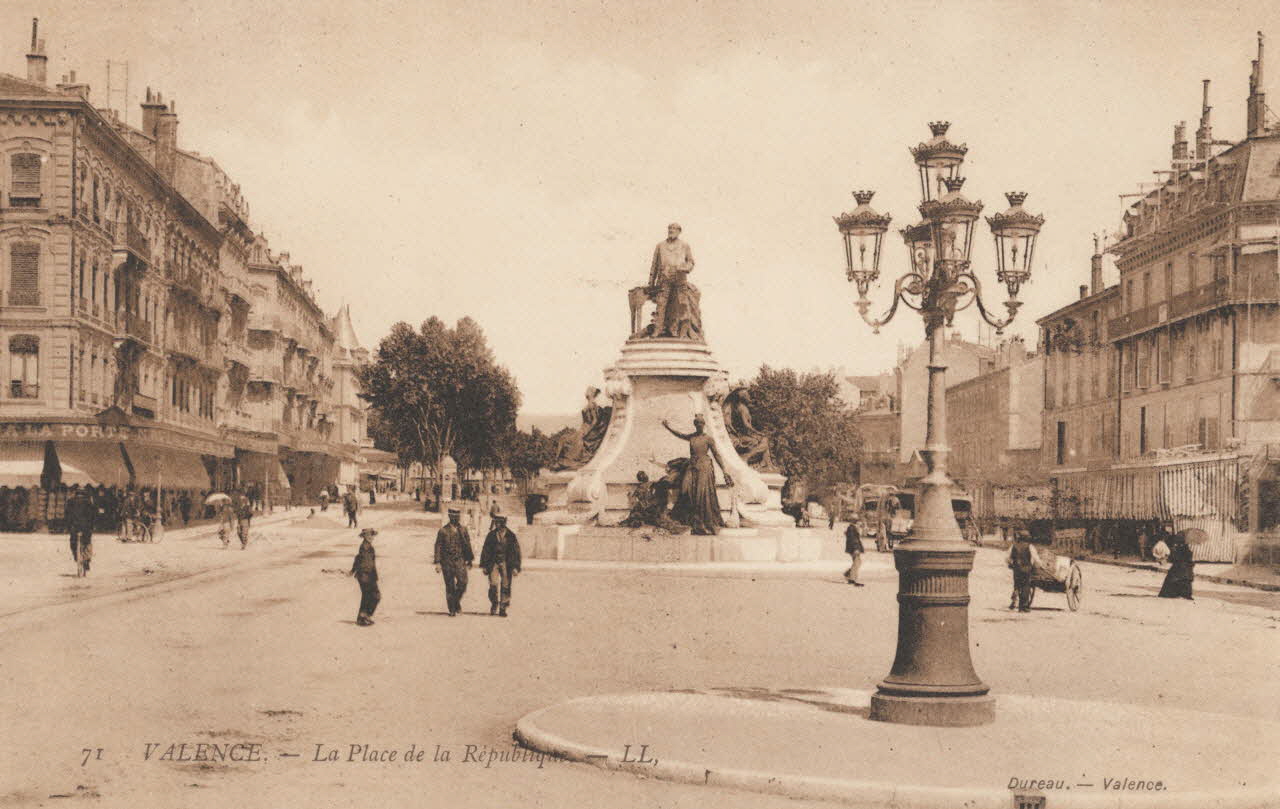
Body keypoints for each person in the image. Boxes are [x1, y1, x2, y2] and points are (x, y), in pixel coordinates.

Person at [661, 414, 731, 535]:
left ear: (704, 425)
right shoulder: (692, 437)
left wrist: (724, 470)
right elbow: (680, 434)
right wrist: (668, 427)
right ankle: (689, 518)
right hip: (692, 465)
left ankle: (702, 522)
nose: (699, 425)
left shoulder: (708, 439)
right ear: (695, 424)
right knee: (685, 489)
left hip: (704, 466)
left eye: (701, 423)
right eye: (697, 423)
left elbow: (716, 454)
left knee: (701, 493)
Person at [434, 507, 474, 616]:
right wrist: (437, 563)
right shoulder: (443, 531)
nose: (455, 518)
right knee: (450, 585)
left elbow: (468, 545)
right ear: (449, 516)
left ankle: (456, 601)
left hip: (460, 560)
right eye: (453, 515)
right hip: (447, 561)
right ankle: (452, 608)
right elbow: (438, 547)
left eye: (457, 516)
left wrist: (470, 559)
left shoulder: (463, 530)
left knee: (463, 583)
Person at [480, 513, 522, 616]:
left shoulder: (511, 536)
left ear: (504, 522)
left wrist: (516, 567)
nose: (497, 524)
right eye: (496, 522)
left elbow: (516, 552)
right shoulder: (491, 535)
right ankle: (494, 603)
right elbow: (485, 550)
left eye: (499, 522)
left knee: (506, 585)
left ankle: (503, 607)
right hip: (493, 563)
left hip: (506, 563)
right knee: (493, 584)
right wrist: (484, 565)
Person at [349, 527, 380, 626]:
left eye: (372, 535)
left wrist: (353, 570)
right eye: (369, 535)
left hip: (368, 575)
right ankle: (363, 617)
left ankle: (364, 616)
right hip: (366, 575)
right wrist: (361, 573)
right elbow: (363, 561)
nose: (371, 537)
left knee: (371, 596)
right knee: (372, 596)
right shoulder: (365, 547)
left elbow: (357, 558)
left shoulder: (367, 546)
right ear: (364, 537)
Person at [65, 485, 97, 578]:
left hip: (74, 528)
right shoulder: (89, 503)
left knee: (73, 544)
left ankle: (77, 557)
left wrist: (67, 526)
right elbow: (93, 516)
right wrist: (92, 526)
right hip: (86, 528)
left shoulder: (70, 501)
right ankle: (86, 559)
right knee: (87, 544)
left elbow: (67, 515)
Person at [1008, 530, 1041, 612]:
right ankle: (1023, 607)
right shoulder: (1030, 547)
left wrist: (1011, 564)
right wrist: (1039, 565)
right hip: (1026, 569)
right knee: (1026, 586)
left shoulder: (1014, 546)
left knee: (1017, 584)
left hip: (1016, 569)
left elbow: (1008, 558)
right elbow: (1036, 558)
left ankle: (1015, 597)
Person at [1158, 533, 1195, 600]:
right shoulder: (1188, 550)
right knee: (1186, 582)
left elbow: (1174, 558)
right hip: (1186, 568)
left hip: (1178, 567)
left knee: (1174, 580)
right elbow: (1189, 558)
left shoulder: (1177, 549)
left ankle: (1173, 593)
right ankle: (1186, 595)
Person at [843, 521, 865, 586]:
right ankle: (851, 578)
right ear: (856, 523)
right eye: (859, 524)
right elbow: (853, 540)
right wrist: (856, 549)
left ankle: (848, 574)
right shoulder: (852, 529)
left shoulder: (853, 529)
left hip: (854, 548)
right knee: (857, 562)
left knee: (857, 562)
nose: (859, 526)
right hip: (854, 549)